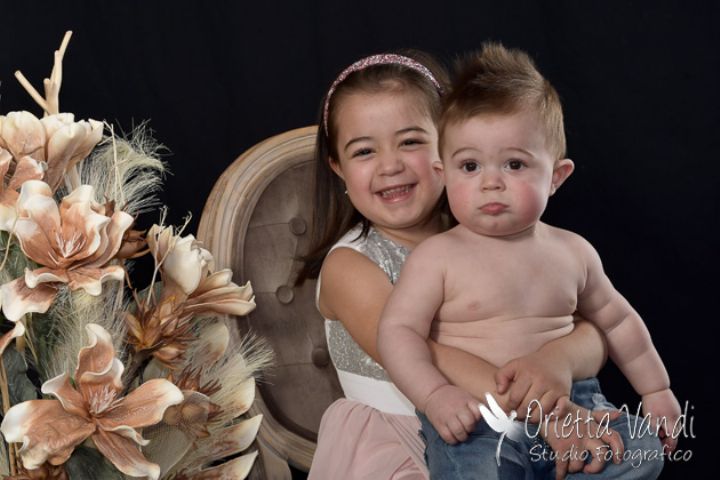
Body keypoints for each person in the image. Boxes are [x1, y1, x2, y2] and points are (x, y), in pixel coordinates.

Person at [298, 50, 615, 480]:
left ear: (449, 148)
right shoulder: (350, 267)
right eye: (364, 151)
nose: (390, 165)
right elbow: (422, 352)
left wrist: (557, 359)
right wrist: (544, 412)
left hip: (518, 427)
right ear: (338, 167)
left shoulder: (498, 236)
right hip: (406, 440)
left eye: (410, 141)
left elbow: (595, 330)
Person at [377, 42, 677, 479]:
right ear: (443, 173)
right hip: (478, 416)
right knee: (477, 472)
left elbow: (617, 322)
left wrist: (656, 389)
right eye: (470, 166)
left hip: (575, 403)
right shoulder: (437, 257)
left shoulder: (573, 252)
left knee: (642, 449)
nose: (491, 183)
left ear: (556, 176)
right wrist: (434, 394)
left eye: (514, 165)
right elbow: (398, 332)